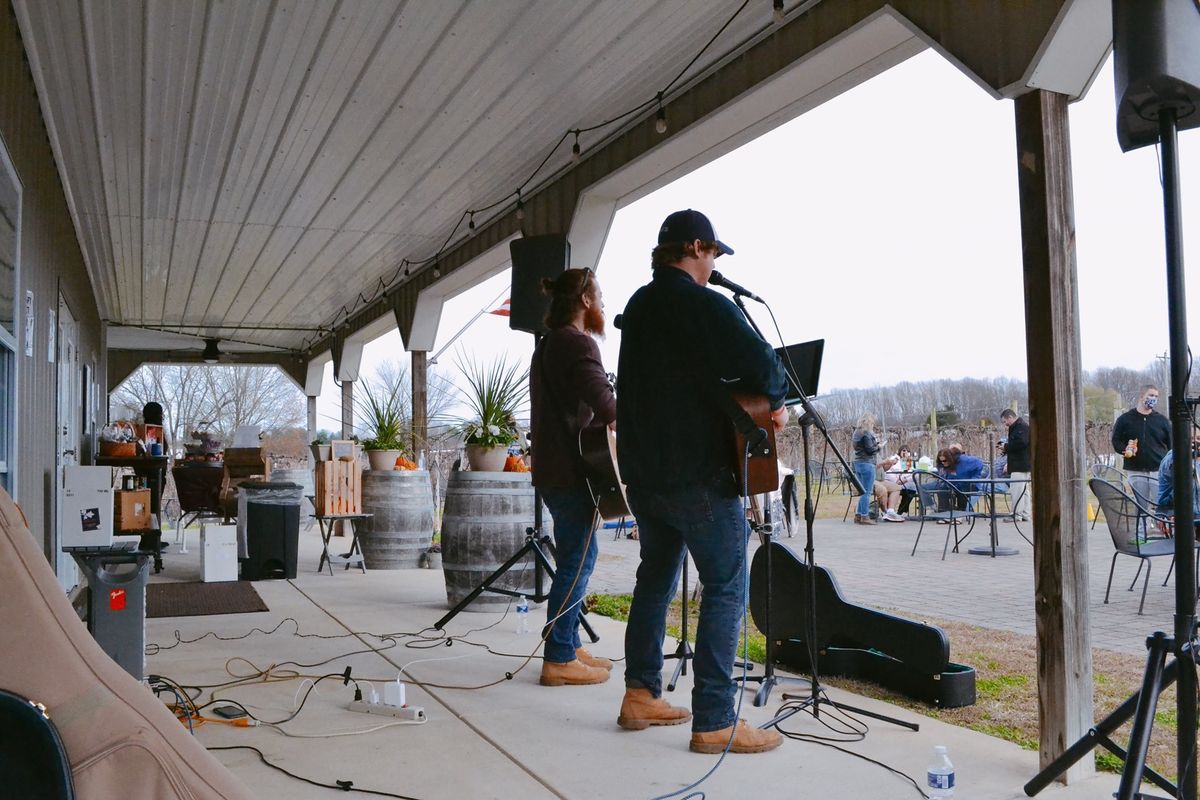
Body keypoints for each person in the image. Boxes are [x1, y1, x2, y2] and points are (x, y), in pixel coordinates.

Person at [615, 208, 787, 754]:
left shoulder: (640, 306)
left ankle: (640, 693)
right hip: (697, 475)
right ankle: (714, 720)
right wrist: (775, 404)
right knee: (726, 586)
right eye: (712, 254)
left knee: (656, 579)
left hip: (644, 475)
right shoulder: (704, 304)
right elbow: (765, 365)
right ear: (696, 247)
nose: (714, 266)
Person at [530, 268, 616, 687]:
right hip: (569, 470)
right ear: (584, 300)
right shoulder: (578, 342)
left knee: (580, 557)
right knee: (576, 562)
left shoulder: (549, 343)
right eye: (599, 297)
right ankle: (560, 657)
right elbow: (605, 403)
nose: (601, 305)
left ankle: (566, 642)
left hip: (552, 468)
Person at [1112, 385, 1172, 510]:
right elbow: (1116, 440)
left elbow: (1171, 445)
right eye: (1150, 395)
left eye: (1156, 396)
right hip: (1135, 469)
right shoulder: (1125, 419)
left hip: (1158, 470)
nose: (1153, 398)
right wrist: (1125, 450)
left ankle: (1162, 529)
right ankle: (1141, 529)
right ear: (1141, 396)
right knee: (1140, 506)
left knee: (1161, 504)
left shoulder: (1162, 421)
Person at [1155, 426, 1200, 524]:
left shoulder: (1197, 459)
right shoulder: (1172, 458)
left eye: (1198, 438)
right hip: (1173, 511)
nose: (1195, 442)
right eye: (1191, 438)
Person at [999, 409, 1031, 522]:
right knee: (1024, 490)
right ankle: (1025, 514)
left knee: (1016, 489)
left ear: (1010, 417)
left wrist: (1006, 447)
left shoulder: (1021, 427)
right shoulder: (1020, 427)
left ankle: (1016, 514)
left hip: (1020, 465)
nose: (1005, 424)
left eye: (1004, 421)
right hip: (1022, 464)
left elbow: (1021, 443)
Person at [851, 414, 883, 525]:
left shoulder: (856, 433)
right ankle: (864, 516)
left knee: (862, 491)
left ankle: (858, 515)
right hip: (867, 463)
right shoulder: (866, 433)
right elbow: (870, 450)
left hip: (858, 463)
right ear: (869, 423)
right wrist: (879, 447)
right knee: (867, 492)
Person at [874, 455, 906, 522]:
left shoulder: (876, 454)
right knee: (882, 489)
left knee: (896, 487)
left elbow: (883, 469)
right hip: (870, 479)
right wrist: (883, 462)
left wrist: (890, 464)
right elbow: (867, 469)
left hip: (880, 479)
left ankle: (890, 511)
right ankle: (885, 512)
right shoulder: (863, 454)